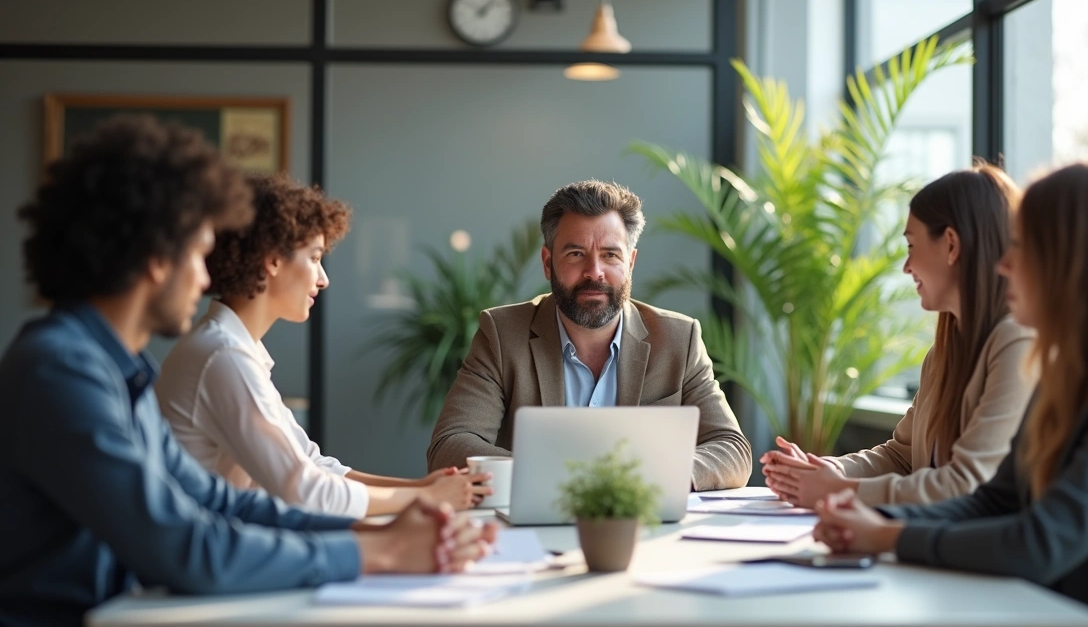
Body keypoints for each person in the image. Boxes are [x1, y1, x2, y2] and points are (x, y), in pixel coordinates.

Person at [0, 116, 495, 627]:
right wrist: (382, 551)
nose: (205, 277)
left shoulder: (118, 371)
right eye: (198, 254)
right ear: (155, 259)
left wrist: (377, 535)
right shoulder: (59, 372)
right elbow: (185, 546)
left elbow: (216, 501)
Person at [811, 160, 1088, 626]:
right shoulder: (1066, 374)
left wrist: (886, 536)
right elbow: (993, 502)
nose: (1003, 264)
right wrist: (871, 518)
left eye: (1021, 247)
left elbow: (1041, 542)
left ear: (1074, 262)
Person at [157, 173, 491, 518]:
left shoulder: (235, 350)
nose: (323, 279)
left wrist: (419, 488)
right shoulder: (224, 356)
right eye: (314, 258)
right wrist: (425, 498)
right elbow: (303, 490)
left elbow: (312, 464)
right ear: (273, 259)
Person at [426, 180, 752, 491]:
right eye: (576, 254)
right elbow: (450, 445)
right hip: (535, 525)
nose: (594, 272)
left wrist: (660, 476)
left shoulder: (678, 339)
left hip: (645, 521)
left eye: (610, 254)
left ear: (630, 263)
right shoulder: (503, 334)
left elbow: (731, 448)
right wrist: (572, 478)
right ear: (548, 263)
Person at [761, 164, 1035, 506]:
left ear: (951, 245)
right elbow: (901, 457)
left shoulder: (1016, 343)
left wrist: (838, 490)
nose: (906, 267)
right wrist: (823, 470)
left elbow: (967, 484)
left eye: (911, 245)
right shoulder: (943, 353)